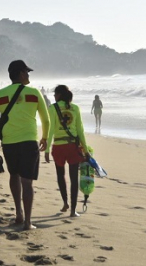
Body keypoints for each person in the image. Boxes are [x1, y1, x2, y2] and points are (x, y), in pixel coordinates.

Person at [0, 60, 50, 230]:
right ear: (21, 74)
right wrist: (45, 138)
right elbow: (45, 119)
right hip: (29, 142)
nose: (28, 75)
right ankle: (28, 222)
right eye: (27, 72)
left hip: (9, 143)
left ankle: (18, 214)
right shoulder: (34, 93)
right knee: (27, 182)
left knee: (13, 176)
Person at [45, 85, 89, 217]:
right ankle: (73, 211)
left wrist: (47, 149)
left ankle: (65, 203)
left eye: (55, 94)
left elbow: (51, 129)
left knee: (60, 175)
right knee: (74, 178)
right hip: (72, 147)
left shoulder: (52, 108)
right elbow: (80, 131)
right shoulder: (75, 108)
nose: (53, 96)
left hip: (59, 146)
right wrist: (85, 150)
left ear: (59, 95)